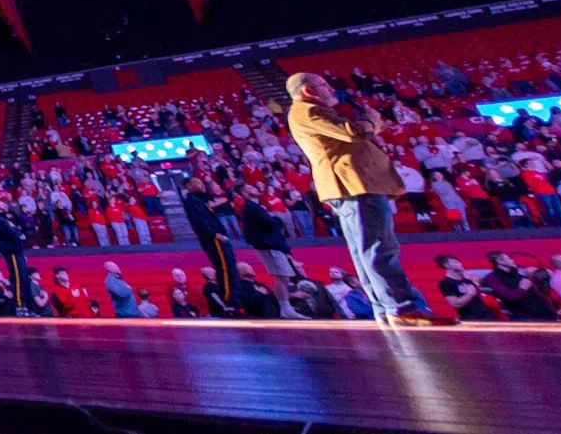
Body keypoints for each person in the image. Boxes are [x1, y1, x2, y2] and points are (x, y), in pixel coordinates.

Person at [285, 72, 438, 326]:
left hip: (350, 187)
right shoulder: (309, 111)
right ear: (309, 91)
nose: (330, 88)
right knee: (379, 249)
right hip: (355, 186)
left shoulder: (308, 111)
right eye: (324, 85)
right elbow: (353, 132)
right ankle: (402, 308)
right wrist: (370, 120)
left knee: (366, 251)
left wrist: (372, 126)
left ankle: (386, 308)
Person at [239, 184, 303, 318]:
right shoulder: (251, 207)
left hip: (275, 245)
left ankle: (286, 307)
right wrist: (277, 219)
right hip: (270, 246)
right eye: (249, 188)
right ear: (244, 194)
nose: (254, 188)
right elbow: (270, 224)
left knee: (283, 276)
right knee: (281, 275)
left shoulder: (258, 207)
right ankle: (285, 308)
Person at [180, 177, 239, 314]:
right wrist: (214, 234)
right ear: (189, 186)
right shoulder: (192, 201)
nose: (202, 185)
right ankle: (229, 301)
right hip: (213, 238)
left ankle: (234, 300)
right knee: (225, 269)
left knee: (230, 267)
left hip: (218, 237)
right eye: (198, 183)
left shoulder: (201, 199)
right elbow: (199, 220)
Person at [478, 251, 555, 321]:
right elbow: (510, 297)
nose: (512, 260)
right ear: (500, 261)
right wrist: (523, 288)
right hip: (526, 317)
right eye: (509, 259)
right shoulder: (492, 278)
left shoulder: (516, 274)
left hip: (543, 313)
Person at [0, 200, 34, 315]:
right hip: (12, 251)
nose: (3, 202)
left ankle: (26, 305)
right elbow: (14, 233)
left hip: (17, 251)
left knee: (23, 277)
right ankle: (20, 305)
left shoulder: (5, 217)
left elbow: (20, 225)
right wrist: (16, 229)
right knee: (18, 278)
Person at [435, 255, 496, 322]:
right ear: (446, 265)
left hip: (487, 315)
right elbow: (455, 304)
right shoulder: (445, 283)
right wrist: (469, 294)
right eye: (455, 262)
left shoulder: (467, 278)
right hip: (471, 318)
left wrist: (475, 282)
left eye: (459, 262)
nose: (460, 264)